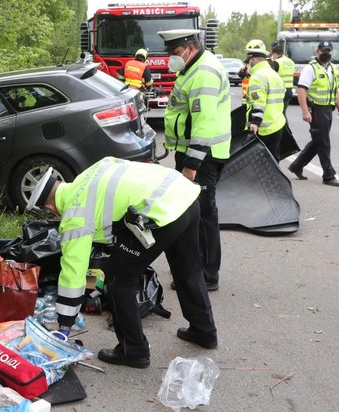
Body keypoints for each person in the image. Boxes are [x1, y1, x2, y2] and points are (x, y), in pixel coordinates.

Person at [26, 158, 218, 368]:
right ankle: (204, 331)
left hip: (161, 212)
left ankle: (133, 351)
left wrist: (64, 325)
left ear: (49, 207)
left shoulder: (75, 215)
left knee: (118, 280)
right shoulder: (89, 173)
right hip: (184, 195)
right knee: (188, 268)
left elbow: (73, 275)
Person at [157, 28, 231, 291]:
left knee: (202, 215)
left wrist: (191, 165)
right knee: (193, 215)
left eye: (176, 53)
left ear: (190, 47)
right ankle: (196, 269)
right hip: (194, 153)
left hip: (202, 156)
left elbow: (204, 123)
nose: (172, 59)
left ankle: (207, 275)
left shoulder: (203, 73)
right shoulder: (192, 68)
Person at [287, 40, 339, 187]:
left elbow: (335, 91)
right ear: (317, 52)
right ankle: (328, 175)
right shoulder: (310, 68)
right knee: (324, 143)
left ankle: (296, 166)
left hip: (328, 109)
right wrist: (305, 111)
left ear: (332, 52)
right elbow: (301, 89)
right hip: (316, 110)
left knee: (318, 141)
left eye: (328, 51)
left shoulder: (333, 68)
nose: (325, 53)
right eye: (322, 51)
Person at [243, 39, 287, 161]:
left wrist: (255, 122)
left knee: (261, 164)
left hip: (264, 128)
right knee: (273, 160)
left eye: (249, 61)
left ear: (253, 60)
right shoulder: (274, 74)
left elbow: (259, 103)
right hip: (277, 124)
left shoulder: (257, 77)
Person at [270, 40, 296, 110]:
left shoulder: (276, 62)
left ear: (275, 53)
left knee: (279, 113)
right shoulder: (291, 62)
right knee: (283, 112)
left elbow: (270, 76)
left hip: (280, 91)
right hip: (289, 91)